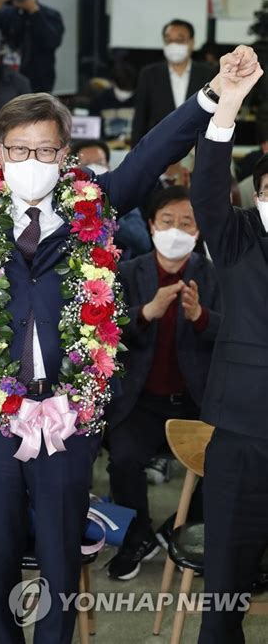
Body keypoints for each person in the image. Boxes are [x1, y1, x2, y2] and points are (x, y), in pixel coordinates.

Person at [0, 20, 253, 641]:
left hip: (71, 412)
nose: (31, 163)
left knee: (61, 549)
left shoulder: (99, 203)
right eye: (18, 150)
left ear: (67, 155)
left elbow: (153, 151)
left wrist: (211, 95)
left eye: (45, 151)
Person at [189, 48, 266, 643]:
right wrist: (227, 110)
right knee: (225, 593)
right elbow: (209, 191)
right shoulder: (239, 238)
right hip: (241, 433)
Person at [106, 186, 221, 580]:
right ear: (151, 225)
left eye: (186, 222)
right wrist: (146, 312)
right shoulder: (126, 272)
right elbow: (105, 333)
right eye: (167, 221)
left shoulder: (215, 275)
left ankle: (177, 529)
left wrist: (201, 316)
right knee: (122, 459)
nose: (176, 230)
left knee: (225, 461)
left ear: (199, 230)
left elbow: (235, 332)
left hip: (196, 400)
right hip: (141, 401)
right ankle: (137, 534)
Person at [131, 19, 213, 145]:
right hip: (157, 148)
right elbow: (140, 119)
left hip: (197, 148)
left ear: (191, 43)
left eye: (180, 40)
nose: (173, 45)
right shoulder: (149, 74)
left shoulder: (207, 73)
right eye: (168, 40)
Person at [70, 138, 152, 260]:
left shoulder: (125, 198)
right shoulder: (66, 200)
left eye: (100, 163)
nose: (94, 168)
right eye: (86, 164)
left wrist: (109, 214)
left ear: (108, 166)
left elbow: (143, 243)